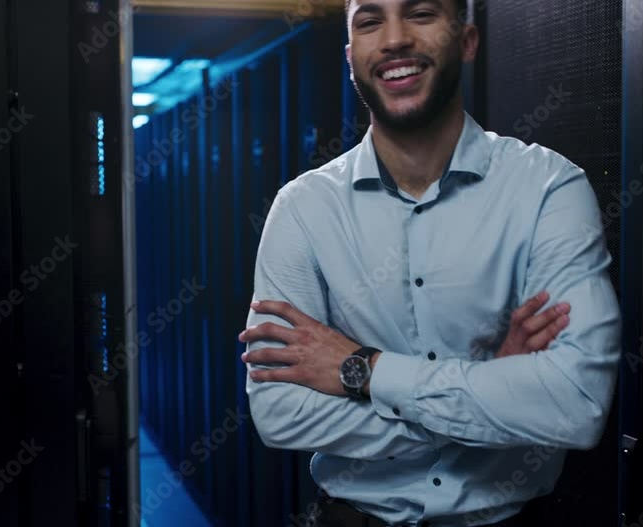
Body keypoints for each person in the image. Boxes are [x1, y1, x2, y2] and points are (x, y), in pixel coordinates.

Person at [238, 0, 622, 526]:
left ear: (466, 40)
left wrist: (363, 371)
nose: (394, 38)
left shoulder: (547, 188)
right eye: (371, 21)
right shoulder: (303, 210)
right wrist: (492, 393)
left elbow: (576, 405)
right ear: (351, 57)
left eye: (420, 13)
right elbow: (279, 414)